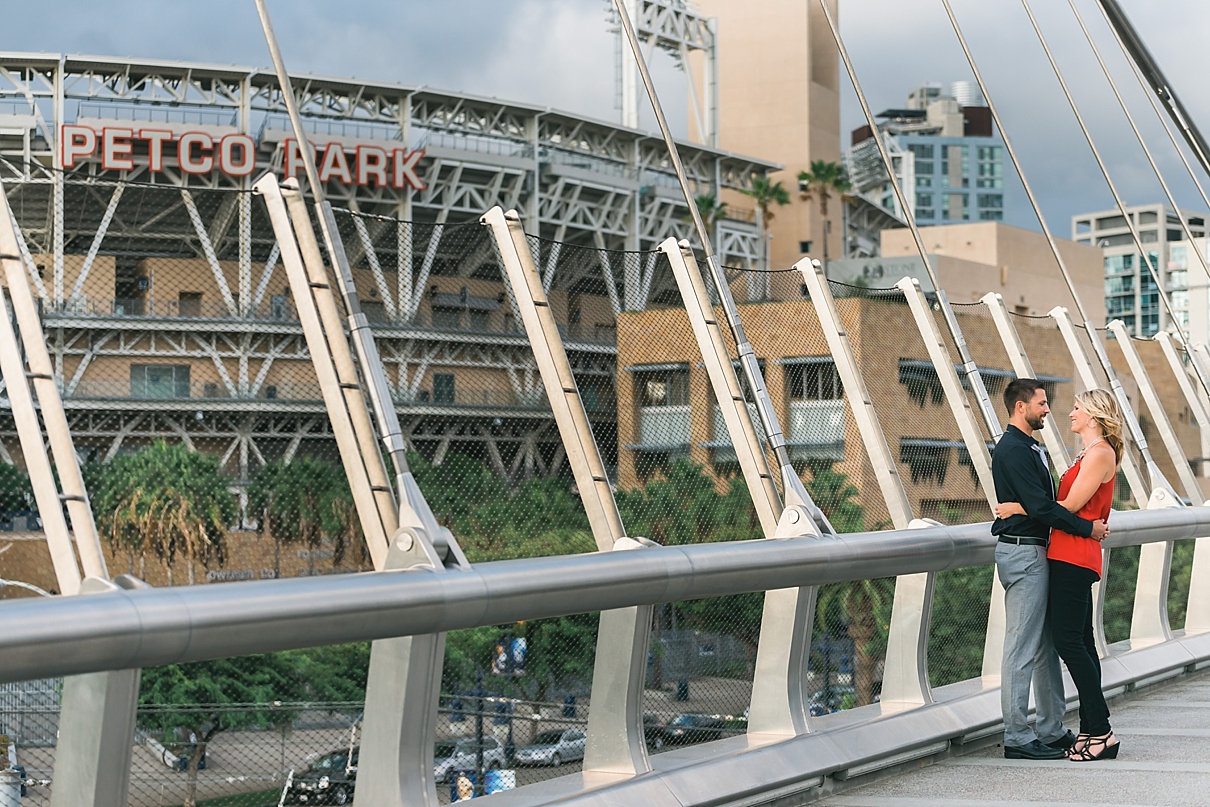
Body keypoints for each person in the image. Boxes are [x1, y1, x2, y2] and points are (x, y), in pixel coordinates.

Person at [996, 389, 1122, 762]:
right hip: (1063, 553)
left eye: (1078, 408)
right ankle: (1091, 728)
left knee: (1069, 643)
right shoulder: (1087, 453)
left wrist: (1017, 506)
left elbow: (1066, 506)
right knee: (1076, 641)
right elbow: (1064, 507)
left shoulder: (1099, 454)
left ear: (1094, 416)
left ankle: (1100, 731)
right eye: (1045, 403)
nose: (1068, 412)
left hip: (1073, 555)